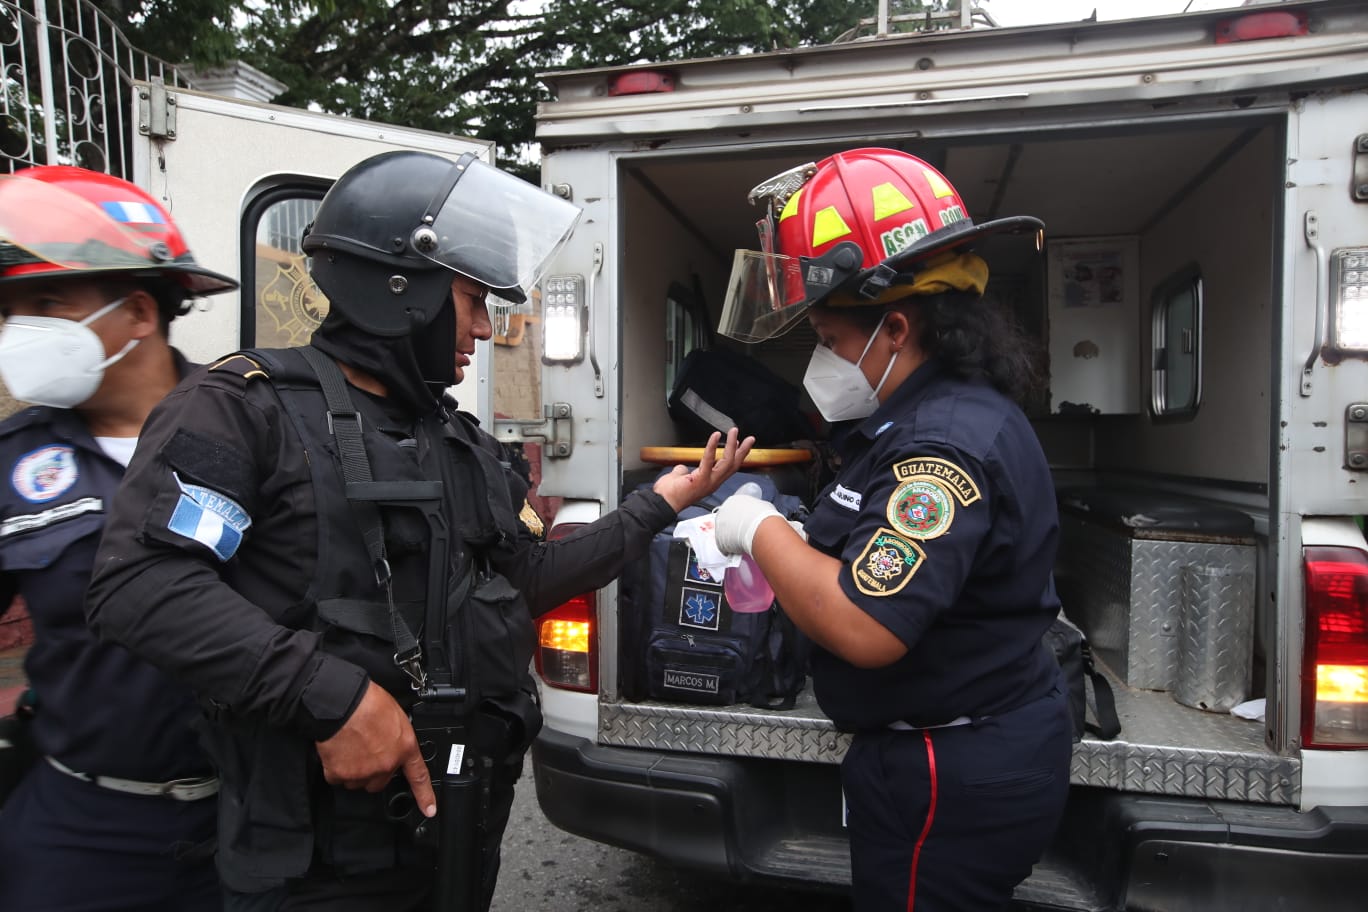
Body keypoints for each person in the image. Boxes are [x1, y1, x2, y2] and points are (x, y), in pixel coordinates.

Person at [85, 149, 753, 911]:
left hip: (458, 830)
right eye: (471, 299)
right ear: (400, 289)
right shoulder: (241, 409)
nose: (483, 326)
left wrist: (660, 505)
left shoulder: (458, 439)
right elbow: (141, 584)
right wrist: (328, 696)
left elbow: (525, 577)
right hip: (317, 869)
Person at [712, 148, 1073, 911]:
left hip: (952, 768)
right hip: (946, 747)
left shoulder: (941, 447)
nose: (824, 360)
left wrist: (757, 527)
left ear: (897, 328)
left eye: (831, 341)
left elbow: (867, 624)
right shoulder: (918, 420)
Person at [0, 165, 237, 910]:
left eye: (45, 302)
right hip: (82, 833)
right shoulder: (11, 461)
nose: (17, 330)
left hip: (255, 824)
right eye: (9, 310)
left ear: (138, 312)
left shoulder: (257, 432)